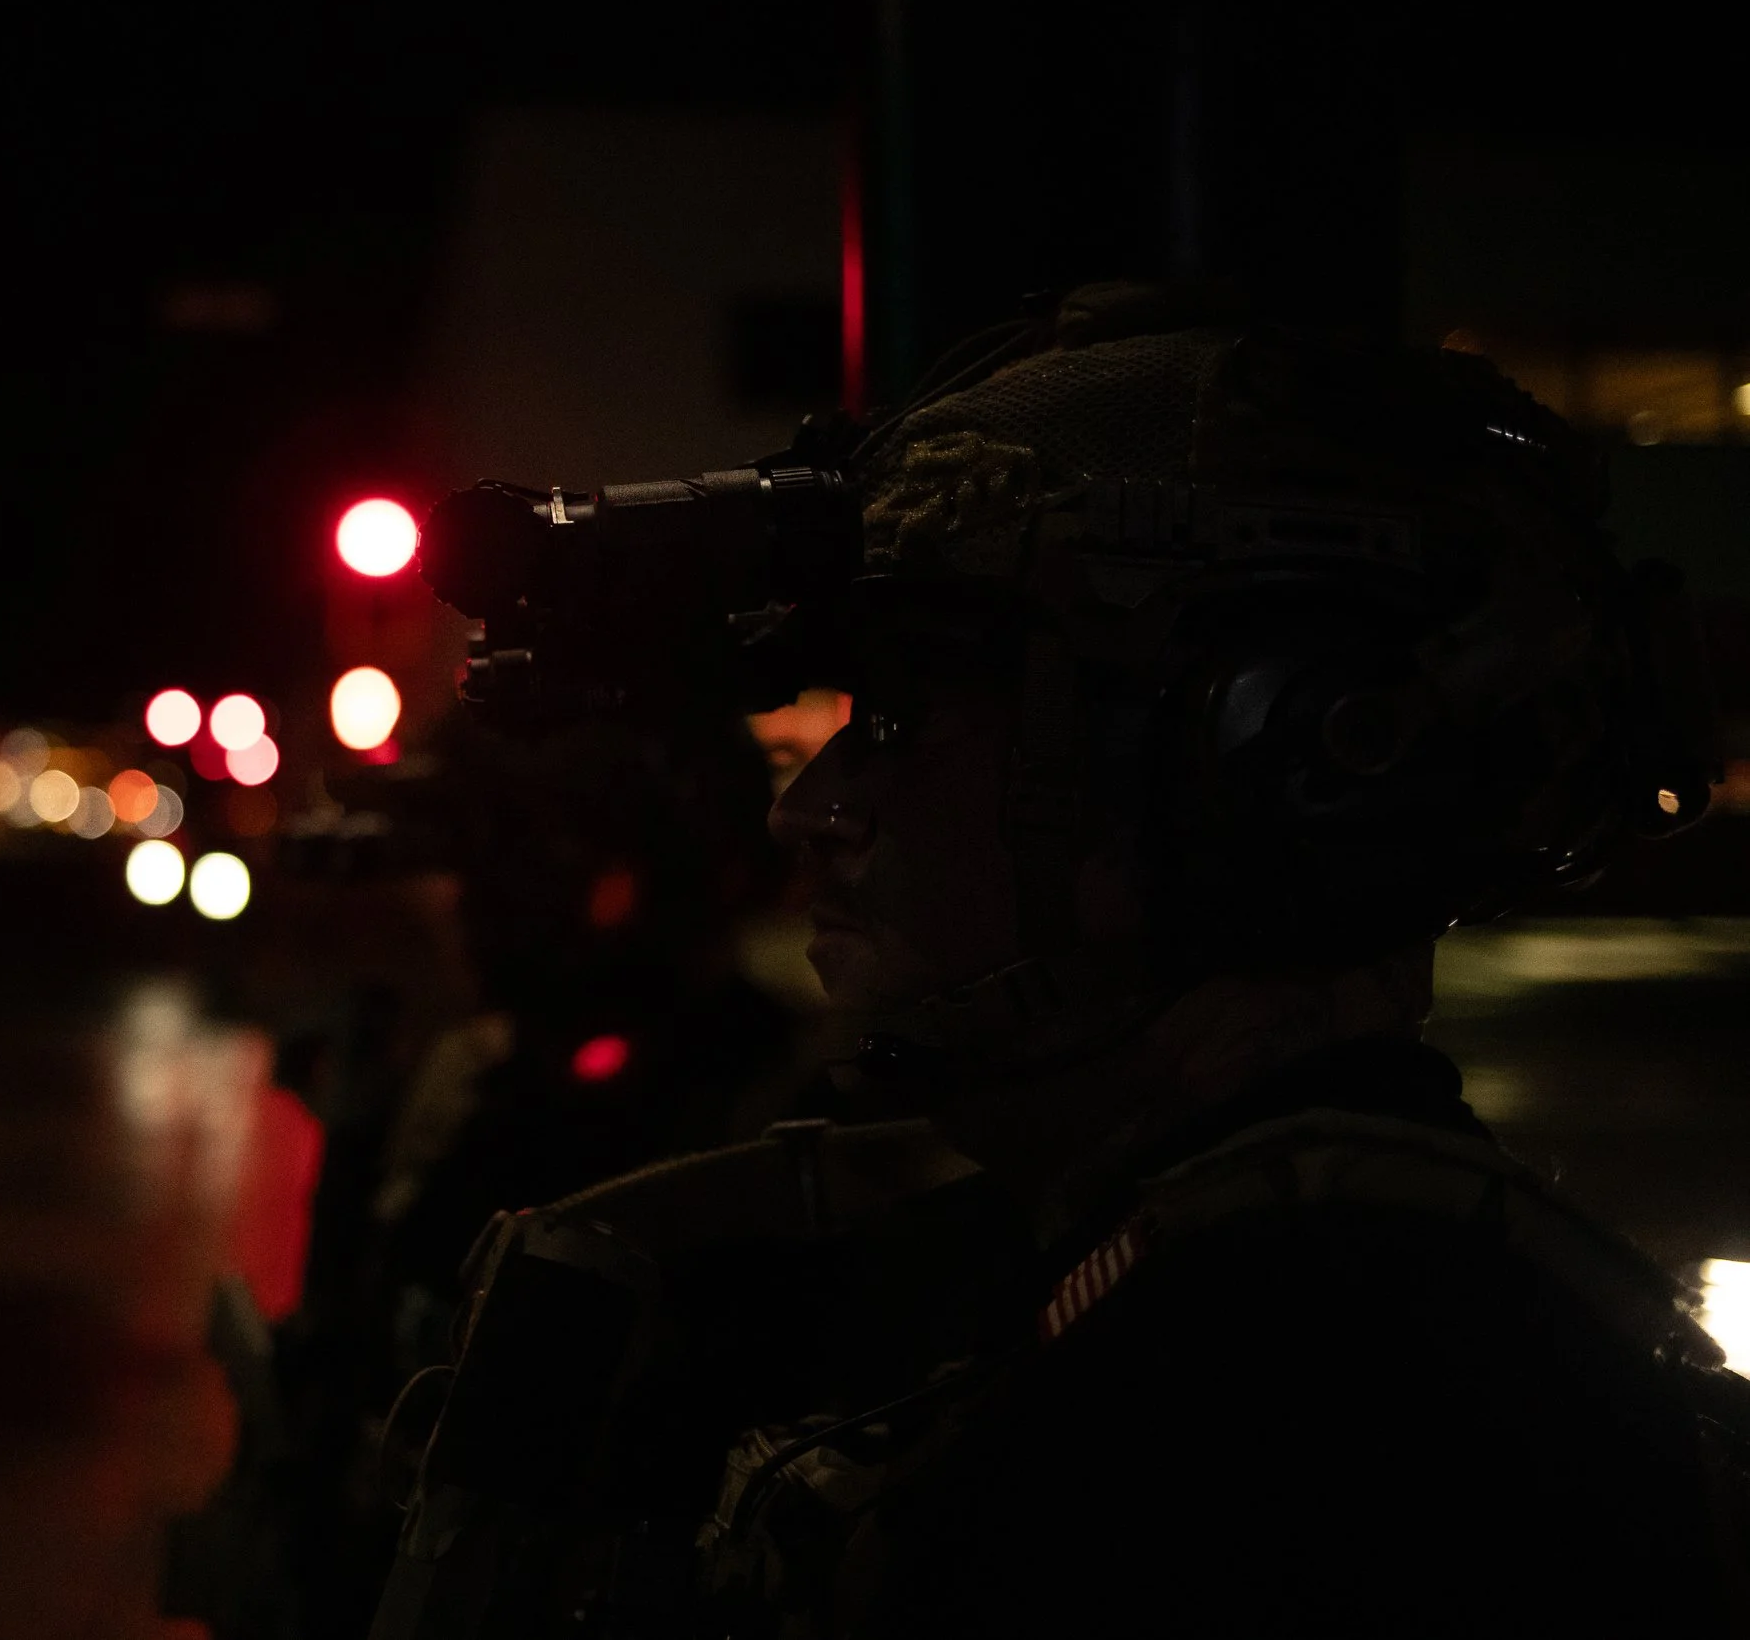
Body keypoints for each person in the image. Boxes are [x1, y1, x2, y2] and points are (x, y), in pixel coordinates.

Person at [737, 287, 1750, 1633]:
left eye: (906, 721)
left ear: (1250, 770)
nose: (808, 810)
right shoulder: (1241, 1291)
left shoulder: (1293, 1411)